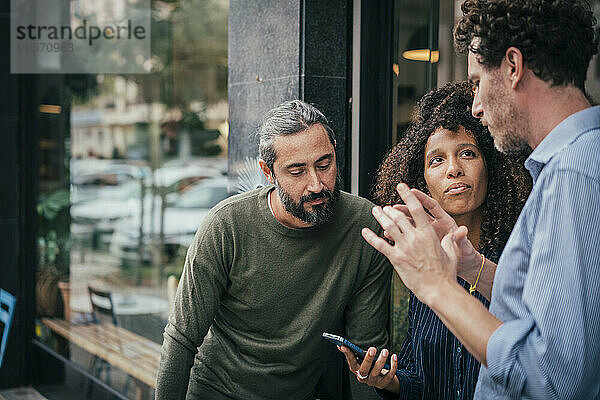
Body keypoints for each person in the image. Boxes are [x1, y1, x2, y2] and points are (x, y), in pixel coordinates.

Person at [356, 0, 600, 399]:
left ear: (512, 67)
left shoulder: (574, 173)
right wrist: (473, 266)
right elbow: (543, 320)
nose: (476, 106)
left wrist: (437, 285)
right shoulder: (571, 164)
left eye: (476, 82)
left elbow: (552, 381)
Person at [155, 100, 392, 400]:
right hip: (217, 391)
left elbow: (365, 353)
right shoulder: (226, 225)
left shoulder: (365, 227)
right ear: (268, 172)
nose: (316, 184)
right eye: (297, 172)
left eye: (324, 164)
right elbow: (181, 338)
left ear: (334, 150)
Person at [339, 81, 531, 399]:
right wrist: (388, 381)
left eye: (467, 154)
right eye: (437, 160)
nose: (453, 169)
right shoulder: (426, 263)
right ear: (423, 180)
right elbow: (420, 377)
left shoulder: (518, 257)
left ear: (493, 165)